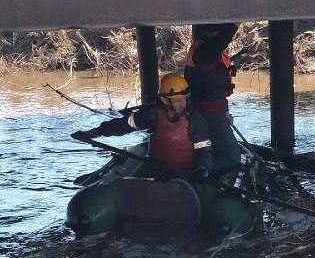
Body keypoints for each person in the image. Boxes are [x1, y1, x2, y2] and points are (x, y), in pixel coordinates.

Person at [71, 73, 213, 180]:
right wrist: (93, 133)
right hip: (155, 172)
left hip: (184, 174)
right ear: (164, 100)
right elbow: (121, 126)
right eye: (176, 100)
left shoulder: (195, 119)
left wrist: (202, 170)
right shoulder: (152, 115)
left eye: (183, 99)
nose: (182, 104)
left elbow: (204, 151)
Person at [184, 23, 243, 177]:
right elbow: (224, 38)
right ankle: (202, 174)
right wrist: (235, 23)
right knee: (232, 158)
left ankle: (205, 170)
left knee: (214, 147)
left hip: (211, 109)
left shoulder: (202, 50)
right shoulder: (205, 52)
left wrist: (225, 112)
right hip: (210, 112)